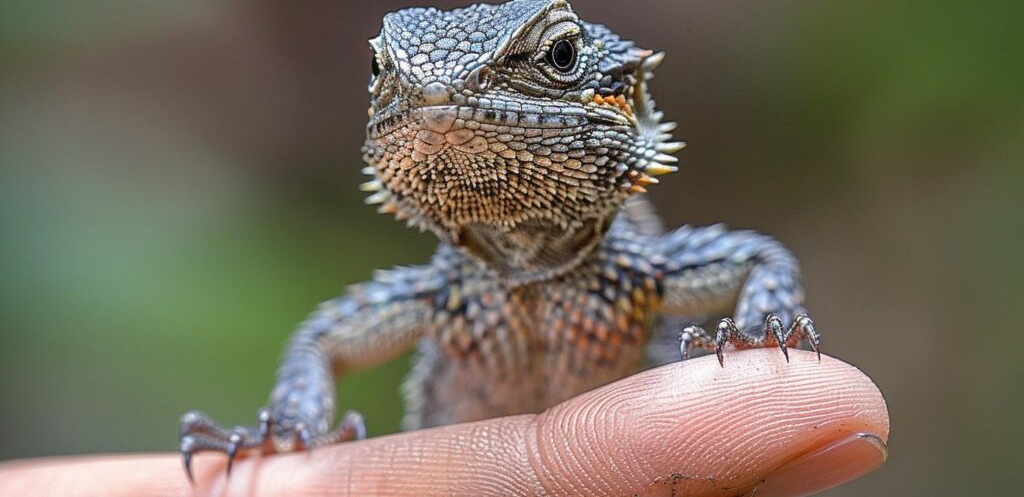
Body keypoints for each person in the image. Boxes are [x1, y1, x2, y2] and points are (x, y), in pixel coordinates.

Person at [0, 350, 888, 496]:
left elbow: (754, 259)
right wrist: (295, 424)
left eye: (553, 61)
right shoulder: (438, 287)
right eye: (392, 81)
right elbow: (328, 341)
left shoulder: (651, 264)